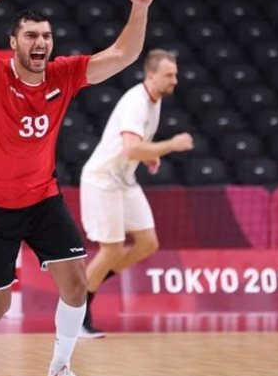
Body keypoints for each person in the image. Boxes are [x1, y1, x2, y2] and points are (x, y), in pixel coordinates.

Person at [0, 0, 154, 376]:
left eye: (46, 36)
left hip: (42, 198)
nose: (40, 42)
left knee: (75, 284)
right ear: (14, 42)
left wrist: (140, 8)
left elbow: (123, 54)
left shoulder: (64, 74)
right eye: (31, 36)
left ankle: (59, 369)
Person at [79, 50, 193, 338]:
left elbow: (134, 147)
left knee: (147, 243)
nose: (175, 80)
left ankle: (88, 284)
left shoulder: (155, 101)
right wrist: (170, 146)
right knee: (112, 250)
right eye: (169, 75)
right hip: (103, 180)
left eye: (175, 75)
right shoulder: (136, 103)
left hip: (124, 181)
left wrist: (148, 156)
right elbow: (131, 149)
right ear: (151, 75)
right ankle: (77, 314)